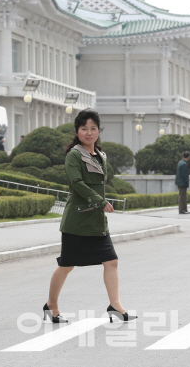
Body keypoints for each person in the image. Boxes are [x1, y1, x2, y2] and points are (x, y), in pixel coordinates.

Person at [45, 109, 135, 324]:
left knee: (111, 261)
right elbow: (77, 184)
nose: (89, 132)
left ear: (98, 131)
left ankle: (115, 305)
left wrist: (101, 203)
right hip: (77, 221)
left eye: (93, 128)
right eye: (84, 128)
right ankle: (51, 305)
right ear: (77, 131)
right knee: (66, 265)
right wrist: (101, 201)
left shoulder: (100, 155)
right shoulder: (74, 155)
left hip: (97, 223)